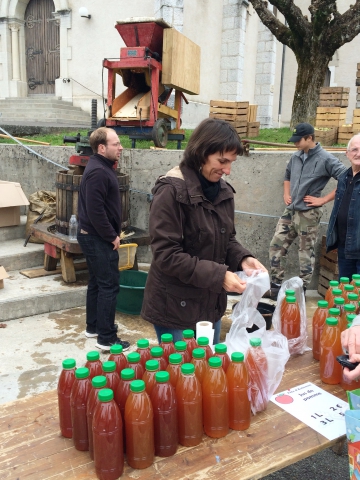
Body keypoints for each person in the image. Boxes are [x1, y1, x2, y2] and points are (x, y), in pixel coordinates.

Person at [141, 118, 267, 344]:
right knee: (184, 373)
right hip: (175, 307)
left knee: (210, 369)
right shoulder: (171, 192)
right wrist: (220, 276)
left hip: (209, 302)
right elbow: (166, 255)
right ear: (200, 152)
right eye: (222, 161)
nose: (227, 170)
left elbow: (226, 239)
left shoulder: (223, 192)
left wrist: (243, 259)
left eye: (231, 162)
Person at [267, 123, 347, 299]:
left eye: (298, 140)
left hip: (309, 214)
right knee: (276, 246)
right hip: (290, 211)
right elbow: (287, 176)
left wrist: (323, 200)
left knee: (305, 253)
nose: (295, 143)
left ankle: (300, 291)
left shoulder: (326, 159)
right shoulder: (296, 157)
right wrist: (286, 194)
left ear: (309, 138)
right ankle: (276, 285)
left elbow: (345, 179)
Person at [77, 127, 130, 351]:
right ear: (102, 147)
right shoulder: (99, 171)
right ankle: (106, 338)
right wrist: (112, 237)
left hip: (92, 236)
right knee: (109, 285)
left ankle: (94, 326)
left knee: (98, 283)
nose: (120, 148)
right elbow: (95, 210)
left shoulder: (99, 166)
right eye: (116, 144)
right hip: (98, 238)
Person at [326, 134, 360, 279]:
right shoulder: (344, 177)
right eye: (354, 149)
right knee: (346, 292)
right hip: (345, 245)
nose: (358, 154)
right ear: (347, 154)